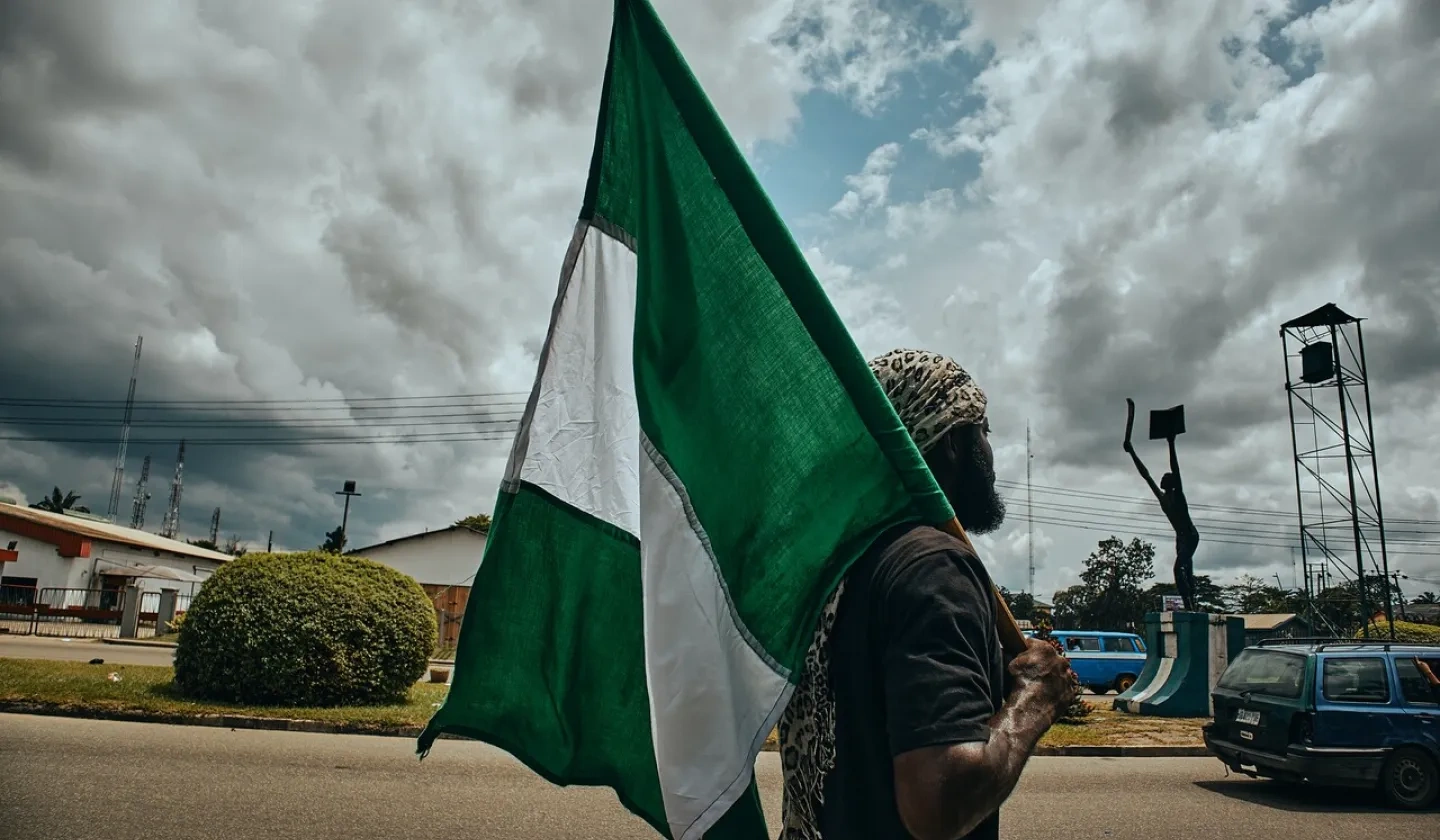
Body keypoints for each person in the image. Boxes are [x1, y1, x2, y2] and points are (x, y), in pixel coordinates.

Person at [778, 349, 1080, 840]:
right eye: (982, 429)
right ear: (952, 441)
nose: (989, 449)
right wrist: (1034, 699)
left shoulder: (841, 565)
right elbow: (939, 802)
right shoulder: (933, 566)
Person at [1124, 433, 1200, 611]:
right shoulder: (1162, 497)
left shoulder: (1178, 496)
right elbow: (1146, 475)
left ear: (1171, 483)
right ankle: (1191, 602)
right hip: (1180, 537)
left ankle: (1189, 604)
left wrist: (1171, 443)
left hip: (1190, 536)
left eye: (1165, 478)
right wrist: (1132, 452)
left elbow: (1176, 468)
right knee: (1186, 569)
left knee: (1179, 569)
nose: (1161, 479)